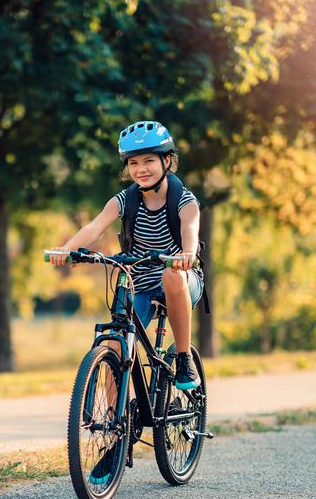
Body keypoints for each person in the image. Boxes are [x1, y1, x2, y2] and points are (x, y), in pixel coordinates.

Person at [49, 120, 203, 390]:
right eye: (133, 163)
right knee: (114, 348)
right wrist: (68, 250)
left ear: (167, 161)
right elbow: (94, 227)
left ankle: (183, 357)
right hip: (140, 283)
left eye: (148, 161)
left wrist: (187, 254)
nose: (140, 169)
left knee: (172, 274)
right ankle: (116, 425)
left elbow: (190, 228)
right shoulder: (124, 200)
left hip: (181, 278)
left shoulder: (184, 201)